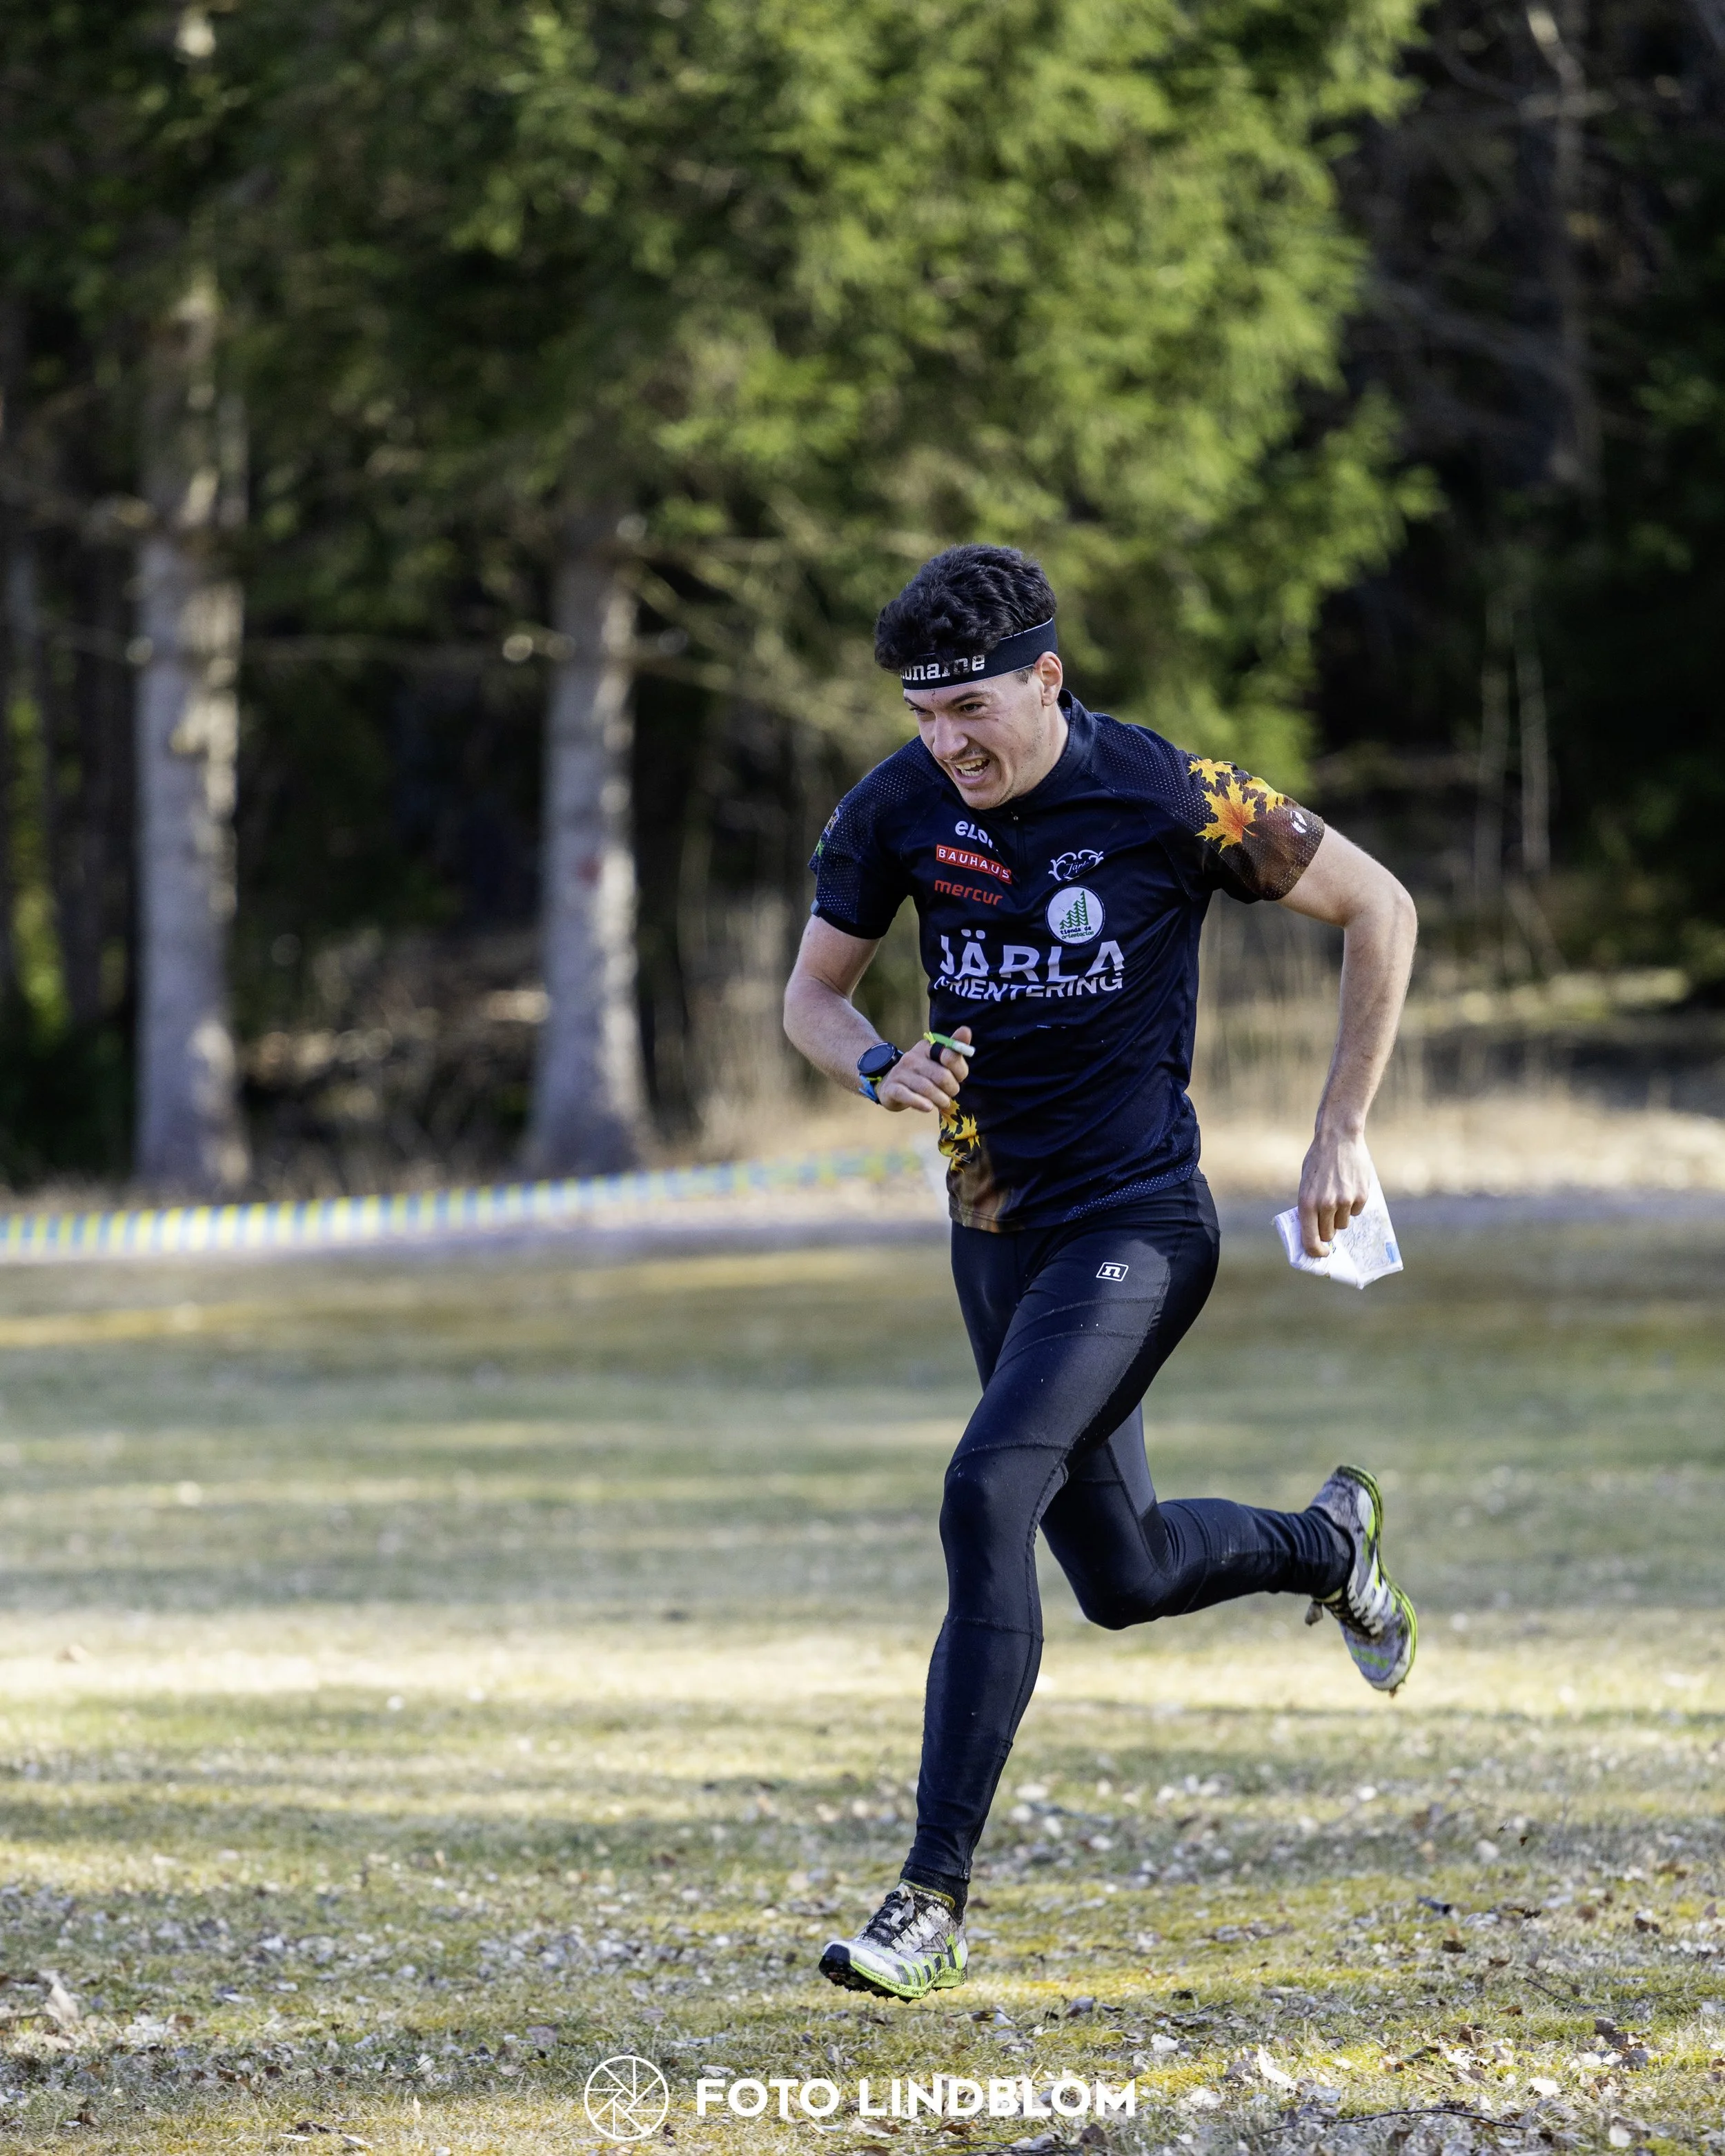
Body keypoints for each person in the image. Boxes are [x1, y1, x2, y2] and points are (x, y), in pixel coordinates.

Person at [782, 544, 1419, 2004]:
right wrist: (877, 1060)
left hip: (1140, 1223)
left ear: (1046, 678)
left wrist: (1339, 1130)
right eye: (922, 714)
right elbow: (809, 997)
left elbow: (1377, 907)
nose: (949, 743)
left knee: (983, 1486)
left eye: (973, 710)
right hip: (994, 1228)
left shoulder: (1163, 794)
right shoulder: (894, 807)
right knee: (1119, 1575)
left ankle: (927, 1901)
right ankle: (1328, 1544)